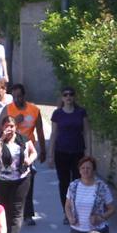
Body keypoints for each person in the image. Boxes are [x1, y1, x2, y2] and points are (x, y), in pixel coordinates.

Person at [0, 116, 35, 233]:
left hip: (21, 178)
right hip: (2, 180)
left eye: (12, 126)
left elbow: (33, 152)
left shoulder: (23, 140)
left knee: (17, 207)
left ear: (16, 127)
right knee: (4, 207)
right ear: (2, 127)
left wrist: (29, 160)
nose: (9, 129)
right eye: (6, 126)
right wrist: (2, 139)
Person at [5, 83, 46, 224]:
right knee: (11, 182)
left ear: (24, 96)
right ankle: (11, 214)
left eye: (19, 96)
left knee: (28, 182)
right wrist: (14, 123)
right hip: (10, 151)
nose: (17, 99)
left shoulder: (34, 110)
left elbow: (40, 131)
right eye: (14, 97)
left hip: (28, 151)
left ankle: (28, 214)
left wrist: (43, 150)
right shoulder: (8, 109)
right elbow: (0, 129)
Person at [66, 156, 115, 233]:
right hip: (78, 230)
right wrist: (70, 218)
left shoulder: (102, 187)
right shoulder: (73, 186)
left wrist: (100, 217)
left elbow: (111, 209)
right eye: (82, 168)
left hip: (97, 231)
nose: (85, 170)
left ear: (93, 170)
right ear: (79, 170)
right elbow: (68, 206)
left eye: (88, 168)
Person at [49, 86, 88, 219]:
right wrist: (50, 155)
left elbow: (87, 132)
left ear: (74, 97)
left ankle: (77, 210)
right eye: (65, 95)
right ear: (62, 98)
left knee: (78, 182)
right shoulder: (57, 114)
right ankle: (67, 212)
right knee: (64, 183)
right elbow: (53, 134)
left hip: (78, 151)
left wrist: (89, 153)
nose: (68, 97)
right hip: (61, 152)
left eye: (71, 94)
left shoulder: (81, 112)